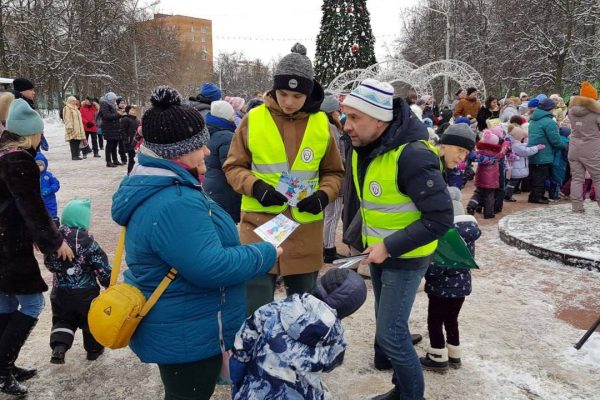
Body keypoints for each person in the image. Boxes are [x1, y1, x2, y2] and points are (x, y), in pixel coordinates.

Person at [111, 86, 279, 400]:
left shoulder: (163, 184)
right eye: (199, 145)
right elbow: (211, 267)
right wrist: (265, 252)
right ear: (176, 152)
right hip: (187, 333)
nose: (206, 152)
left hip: (183, 323)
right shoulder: (174, 201)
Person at [341, 78, 453, 400]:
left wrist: (388, 246)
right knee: (387, 326)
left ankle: (411, 395)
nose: (347, 126)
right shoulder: (365, 147)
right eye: (346, 116)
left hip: (405, 256)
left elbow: (440, 218)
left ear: (380, 119)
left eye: (355, 118)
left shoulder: (413, 155)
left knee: (390, 334)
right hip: (379, 252)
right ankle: (400, 390)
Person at [223, 43, 344, 315]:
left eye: (297, 96)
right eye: (283, 93)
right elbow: (233, 167)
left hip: (304, 230)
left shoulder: (321, 124)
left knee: (303, 314)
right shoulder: (253, 119)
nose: (289, 102)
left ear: (309, 93)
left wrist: (323, 195)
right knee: (256, 312)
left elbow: (334, 173)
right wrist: (257, 187)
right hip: (260, 228)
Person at [0, 99, 74, 396]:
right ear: (30, 133)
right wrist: (55, 242)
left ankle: (7, 364)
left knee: (6, 303)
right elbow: (32, 207)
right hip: (10, 246)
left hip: (5, 241)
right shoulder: (19, 160)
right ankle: (3, 368)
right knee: (32, 304)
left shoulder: (4, 153)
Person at [230, 268, 367, 400]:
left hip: (255, 393)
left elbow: (242, 346)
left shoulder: (271, 309)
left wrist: (237, 385)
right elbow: (330, 366)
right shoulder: (337, 340)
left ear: (319, 284)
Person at [420, 187, 481, 372]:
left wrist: (426, 274)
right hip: (461, 289)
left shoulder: (446, 237)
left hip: (440, 290)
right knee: (452, 320)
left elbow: (437, 267)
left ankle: (437, 356)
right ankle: (455, 354)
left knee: (435, 321)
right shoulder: (468, 235)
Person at [44, 199, 111, 364]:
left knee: (63, 320)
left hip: (60, 292)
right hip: (86, 294)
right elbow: (100, 267)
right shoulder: (88, 242)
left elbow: (49, 264)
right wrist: (108, 282)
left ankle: (59, 348)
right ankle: (94, 350)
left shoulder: (55, 241)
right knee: (90, 321)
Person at [204, 100, 241, 223]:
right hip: (226, 190)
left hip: (211, 186)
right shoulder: (226, 136)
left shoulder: (208, 133)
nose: (233, 117)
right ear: (225, 116)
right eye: (231, 114)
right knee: (229, 224)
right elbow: (230, 167)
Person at [567, 81, 600, 212]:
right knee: (598, 177)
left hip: (574, 147)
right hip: (591, 148)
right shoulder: (596, 113)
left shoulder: (571, 111)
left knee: (576, 178)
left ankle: (576, 206)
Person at [320, 92, 345, 263]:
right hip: (334, 179)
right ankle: (329, 249)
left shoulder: (318, 126)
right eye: (337, 110)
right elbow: (339, 157)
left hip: (320, 179)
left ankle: (321, 246)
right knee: (332, 215)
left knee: (323, 216)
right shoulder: (333, 130)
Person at [527, 98, 567, 204]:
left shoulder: (533, 119)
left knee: (535, 175)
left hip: (533, 151)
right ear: (550, 109)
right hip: (544, 153)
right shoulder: (549, 122)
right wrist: (565, 145)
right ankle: (537, 197)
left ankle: (534, 195)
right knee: (541, 176)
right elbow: (555, 140)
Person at [504, 126, 543, 202]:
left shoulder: (514, 143)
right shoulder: (516, 145)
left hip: (516, 167)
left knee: (512, 183)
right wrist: (536, 148)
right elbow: (526, 151)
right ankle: (507, 196)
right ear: (519, 137)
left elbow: (524, 146)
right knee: (512, 183)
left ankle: (507, 195)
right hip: (516, 168)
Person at [34, 152, 60, 225]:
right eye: (36, 165)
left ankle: (54, 222)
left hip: (49, 198)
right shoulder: (31, 176)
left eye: (40, 165)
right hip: (37, 199)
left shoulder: (48, 175)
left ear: (45, 165)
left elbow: (56, 184)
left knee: (51, 209)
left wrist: (50, 189)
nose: (38, 167)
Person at [98, 92, 122, 168]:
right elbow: (106, 116)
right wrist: (118, 115)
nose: (114, 101)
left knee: (114, 144)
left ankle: (115, 160)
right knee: (110, 145)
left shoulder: (112, 104)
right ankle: (108, 161)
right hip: (109, 128)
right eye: (113, 99)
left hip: (114, 128)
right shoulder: (104, 104)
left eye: (115, 99)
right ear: (109, 99)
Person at [62, 96, 87, 161]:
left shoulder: (76, 108)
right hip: (72, 127)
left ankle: (77, 155)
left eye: (75, 100)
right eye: (73, 100)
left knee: (77, 141)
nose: (75, 101)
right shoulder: (67, 108)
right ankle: (74, 156)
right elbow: (66, 118)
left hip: (78, 127)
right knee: (73, 142)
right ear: (70, 101)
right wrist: (69, 126)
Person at [120, 105, 138, 174]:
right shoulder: (125, 119)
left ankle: (134, 172)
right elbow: (122, 131)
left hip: (136, 142)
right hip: (130, 142)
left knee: (135, 159)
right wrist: (126, 140)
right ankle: (130, 173)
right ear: (128, 111)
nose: (134, 111)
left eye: (134, 110)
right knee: (131, 158)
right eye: (132, 110)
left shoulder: (136, 119)